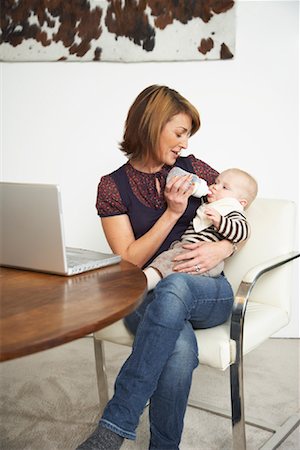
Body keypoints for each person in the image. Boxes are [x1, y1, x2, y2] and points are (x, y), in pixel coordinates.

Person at [77, 85, 244, 450]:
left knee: (177, 287)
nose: (184, 144)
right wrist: (171, 213)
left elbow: (241, 210)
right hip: (146, 295)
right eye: (179, 133)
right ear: (152, 126)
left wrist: (223, 246)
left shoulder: (194, 169)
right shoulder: (112, 187)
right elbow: (130, 262)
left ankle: (116, 423)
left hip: (207, 293)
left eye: (188, 136)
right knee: (180, 348)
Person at [144, 168, 258, 291]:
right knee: (167, 262)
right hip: (185, 251)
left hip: (206, 261)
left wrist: (221, 222)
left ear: (241, 202)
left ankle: (142, 284)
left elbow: (242, 233)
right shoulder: (207, 204)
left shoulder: (231, 211)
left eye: (224, 187)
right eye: (216, 182)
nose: (214, 187)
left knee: (165, 264)